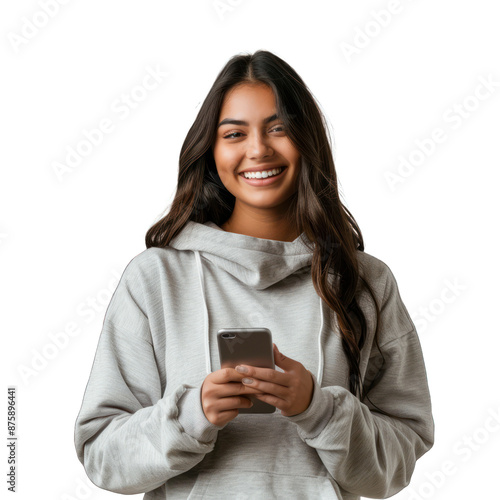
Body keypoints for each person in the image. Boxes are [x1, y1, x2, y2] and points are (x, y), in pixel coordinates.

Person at [74, 50, 434, 499]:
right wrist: (192, 415)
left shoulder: (364, 283)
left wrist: (318, 409)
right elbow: (102, 456)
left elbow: (396, 464)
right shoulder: (155, 280)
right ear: (212, 149)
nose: (258, 149)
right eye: (235, 133)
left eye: (278, 128)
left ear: (307, 140)